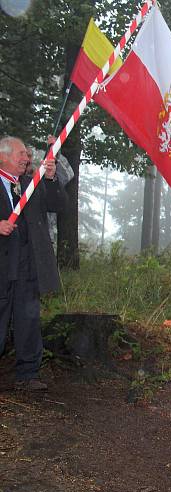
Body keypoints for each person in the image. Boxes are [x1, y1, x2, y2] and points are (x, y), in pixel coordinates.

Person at [0, 136, 65, 391]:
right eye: (21, 154)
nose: (26, 159)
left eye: (27, 155)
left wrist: (50, 178)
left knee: (28, 321)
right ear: (3, 155)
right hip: (2, 268)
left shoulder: (31, 184)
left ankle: (28, 374)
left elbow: (59, 205)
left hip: (27, 268)